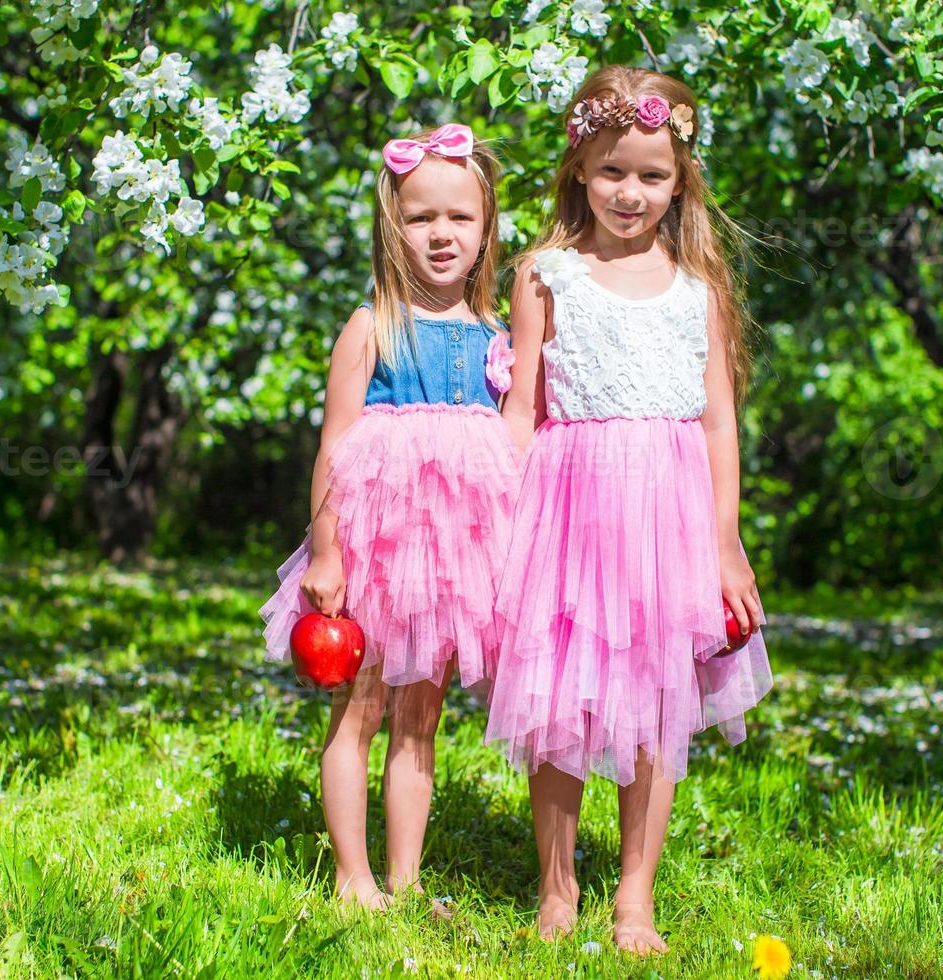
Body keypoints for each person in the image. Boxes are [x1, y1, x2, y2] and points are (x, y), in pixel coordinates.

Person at [484, 66, 774, 954]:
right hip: (568, 512)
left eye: (651, 174)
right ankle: (558, 884)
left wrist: (725, 546)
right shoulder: (548, 275)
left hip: (670, 519)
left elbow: (719, 422)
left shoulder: (699, 289)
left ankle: (635, 897)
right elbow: (523, 411)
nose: (630, 191)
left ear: (681, 179)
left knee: (656, 705)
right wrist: (496, 523)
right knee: (559, 701)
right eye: (612, 170)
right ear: (578, 169)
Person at [260, 123, 519, 911]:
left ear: (486, 230)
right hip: (375, 546)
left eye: (459, 218)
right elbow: (336, 447)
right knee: (360, 708)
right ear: (391, 224)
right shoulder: (371, 327)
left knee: (420, 718)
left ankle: (404, 880)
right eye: (419, 218)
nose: (440, 234)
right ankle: (352, 875)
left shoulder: (497, 336)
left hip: (449, 564)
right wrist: (327, 553)